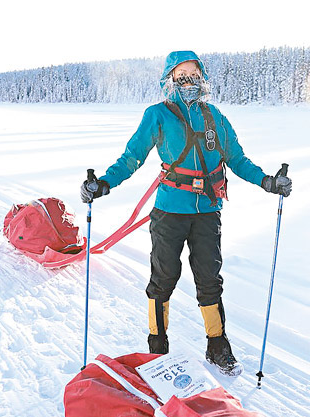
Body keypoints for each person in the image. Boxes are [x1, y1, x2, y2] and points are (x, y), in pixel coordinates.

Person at [81, 50, 292, 376]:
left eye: (194, 76)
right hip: (169, 212)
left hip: (208, 212)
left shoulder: (216, 118)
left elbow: (237, 160)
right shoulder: (158, 116)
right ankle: (157, 346)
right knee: (163, 280)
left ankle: (217, 345)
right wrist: (104, 184)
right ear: (170, 80)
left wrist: (268, 182)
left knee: (209, 280)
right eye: (181, 76)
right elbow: (131, 158)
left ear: (202, 79)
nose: (188, 82)